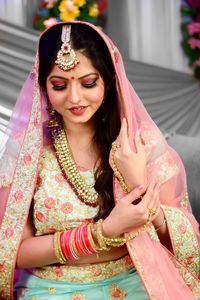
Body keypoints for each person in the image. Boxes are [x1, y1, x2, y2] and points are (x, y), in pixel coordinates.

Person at [0, 21, 199, 300]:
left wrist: (137, 184)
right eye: (59, 85)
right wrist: (102, 233)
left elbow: (184, 243)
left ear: (108, 81)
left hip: (136, 279)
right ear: (43, 86)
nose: (75, 98)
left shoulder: (139, 143)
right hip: (53, 288)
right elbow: (12, 251)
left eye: (88, 83)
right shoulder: (27, 149)